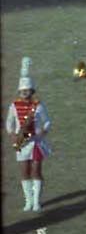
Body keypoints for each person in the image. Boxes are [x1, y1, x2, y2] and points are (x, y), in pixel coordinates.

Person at [8, 57, 51, 211]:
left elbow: (47, 121)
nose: (25, 93)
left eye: (28, 90)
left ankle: (36, 201)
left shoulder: (38, 106)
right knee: (24, 171)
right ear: (20, 91)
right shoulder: (14, 105)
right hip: (21, 142)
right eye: (23, 91)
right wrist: (12, 134)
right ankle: (28, 200)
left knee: (36, 170)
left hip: (35, 143)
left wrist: (43, 130)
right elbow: (9, 123)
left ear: (32, 91)